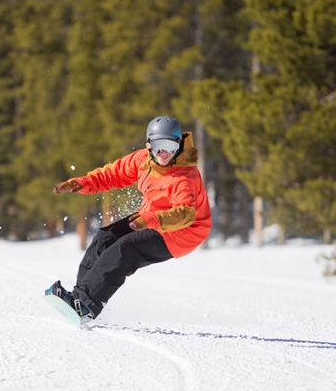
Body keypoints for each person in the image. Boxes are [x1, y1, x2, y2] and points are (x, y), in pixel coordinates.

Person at [47, 116, 212, 321]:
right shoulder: (144, 159)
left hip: (184, 232)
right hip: (151, 218)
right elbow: (114, 174)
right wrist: (82, 183)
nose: (163, 153)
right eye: (157, 146)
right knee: (106, 237)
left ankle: (86, 306)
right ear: (148, 144)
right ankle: (79, 297)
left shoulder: (184, 177)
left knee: (125, 249)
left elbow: (185, 214)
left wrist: (149, 220)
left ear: (179, 144)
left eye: (169, 146)